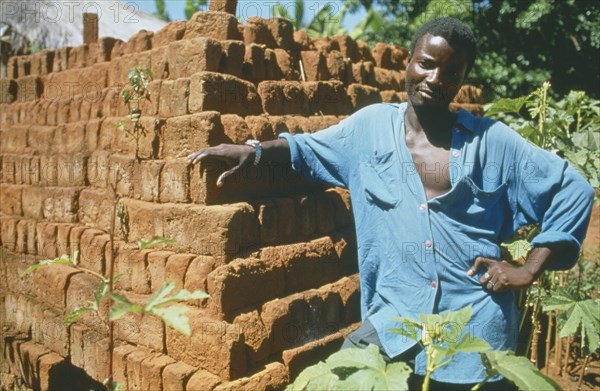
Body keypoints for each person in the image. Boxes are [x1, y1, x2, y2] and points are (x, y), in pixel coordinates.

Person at [188, 17, 594, 389]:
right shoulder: (370, 129)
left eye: (451, 72)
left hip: (475, 341)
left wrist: (527, 270)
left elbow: (573, 190)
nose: (435, 79)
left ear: (462, 79)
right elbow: (307, 149)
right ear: (408, 61)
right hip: (393, 326)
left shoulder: (491, 142)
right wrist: (253, 152)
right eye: (426, 63)